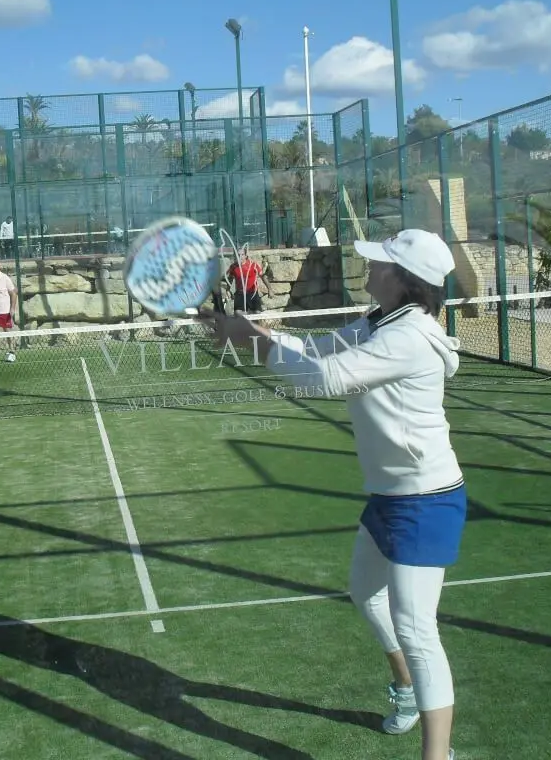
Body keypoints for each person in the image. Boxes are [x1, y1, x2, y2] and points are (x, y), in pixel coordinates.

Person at [203, 229, 464, 760]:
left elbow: (323, 378)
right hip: (389, 495)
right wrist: (249, 330)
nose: (369, 266)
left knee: (417, 628)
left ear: (402, 279)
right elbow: (314, 350)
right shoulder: (377, 322)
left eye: (379, 263)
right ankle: (407, 688)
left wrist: (253, 341)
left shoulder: (408, 337)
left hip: (426, 500)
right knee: (366, 595)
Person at [225, 246, 269, 314]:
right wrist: (228, 289)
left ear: (246, 256)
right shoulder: (233, 267)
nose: (240, 257)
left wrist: (270, 289)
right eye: (238, 255)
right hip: (240, 294)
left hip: (252, 293)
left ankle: (250, 314)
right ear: (235, 256)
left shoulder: (253, 265)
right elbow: (230, 278)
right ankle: (248, 315)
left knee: (257, 313)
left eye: (242, 255)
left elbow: (263, 277)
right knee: (237, 313)